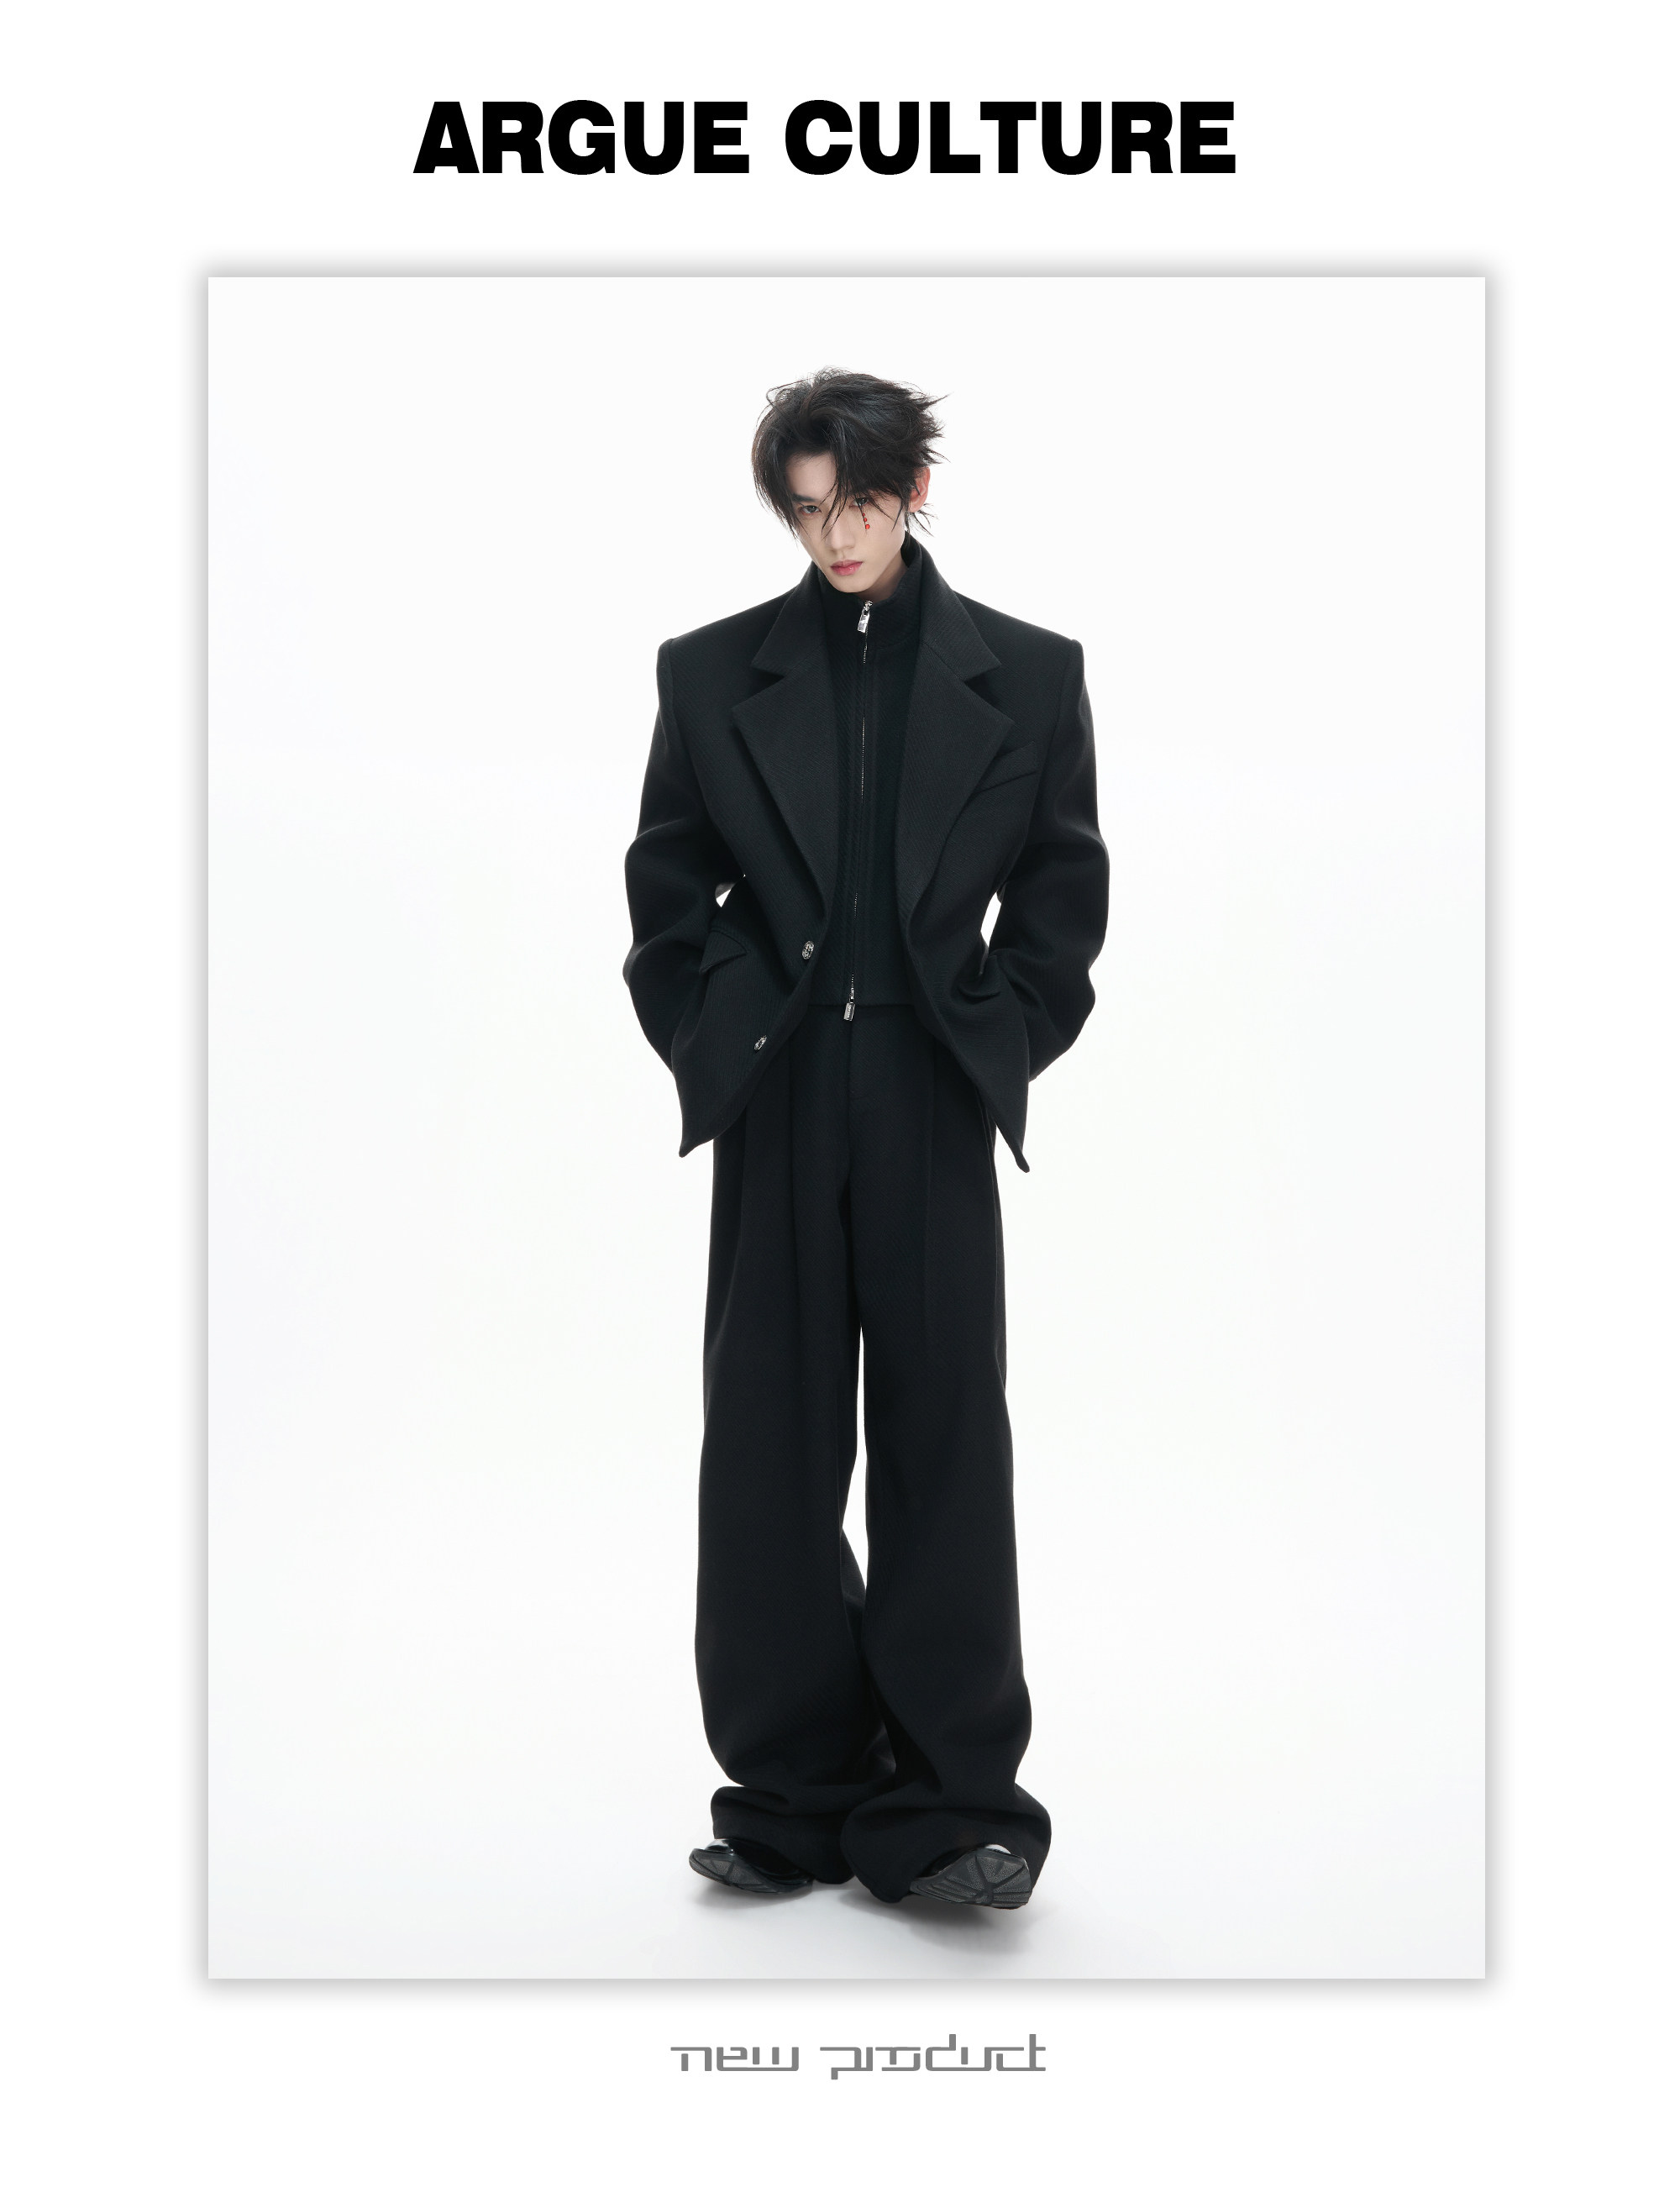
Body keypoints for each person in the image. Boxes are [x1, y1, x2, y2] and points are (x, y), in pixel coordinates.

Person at [622, 368, 1108, 1910]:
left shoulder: (1030, 676)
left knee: (945, 1438)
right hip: (776, 1099)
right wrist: (717, 1031)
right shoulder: (710, 674)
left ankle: (955, 1809)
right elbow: (664, 888)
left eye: (862, 503)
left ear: (915, 491)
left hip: (929, 1096)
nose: (837, 535)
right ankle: (794, 1793)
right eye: (810, 509)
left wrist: (994, 1035)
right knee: (767, 1448)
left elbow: (1063, 897)